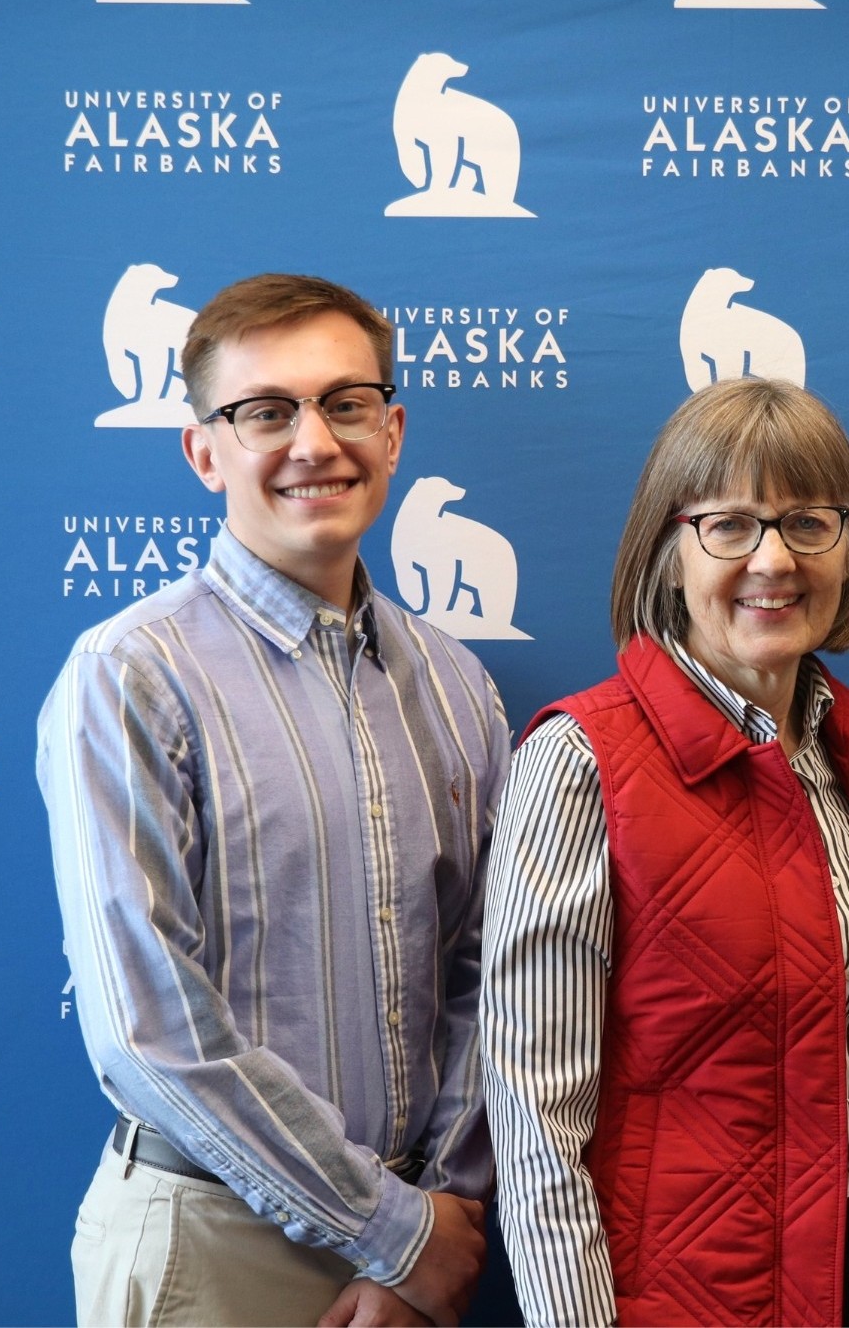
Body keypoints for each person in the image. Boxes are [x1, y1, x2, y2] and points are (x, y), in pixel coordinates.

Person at [39, 274, 510, 1328]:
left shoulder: (456, 684)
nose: (314, 441)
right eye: (266, 411)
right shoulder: (130, 674)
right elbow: (148, 1027)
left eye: (346, 404)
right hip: (213, 1245)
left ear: (391, 432)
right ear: (204, 451)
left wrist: (436, 1212)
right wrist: (389, 1234)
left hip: (415, 1255)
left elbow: (494, 973)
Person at [481, 378, 849, 1327]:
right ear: (667, 555)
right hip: (694, 1296)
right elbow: (537, 1118)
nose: (773, 559)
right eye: (730, 525)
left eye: (807, 522)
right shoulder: (580, 761)